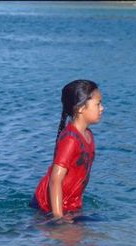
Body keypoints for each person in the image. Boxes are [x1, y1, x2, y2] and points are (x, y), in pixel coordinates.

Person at [30, 79, 104, 224]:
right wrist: (58, 218)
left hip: (70, 206)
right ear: (81, 108)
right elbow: (55, 180)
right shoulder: (70, 139)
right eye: (98, 104)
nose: (102, 108)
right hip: (47, 206)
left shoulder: (88, 135)